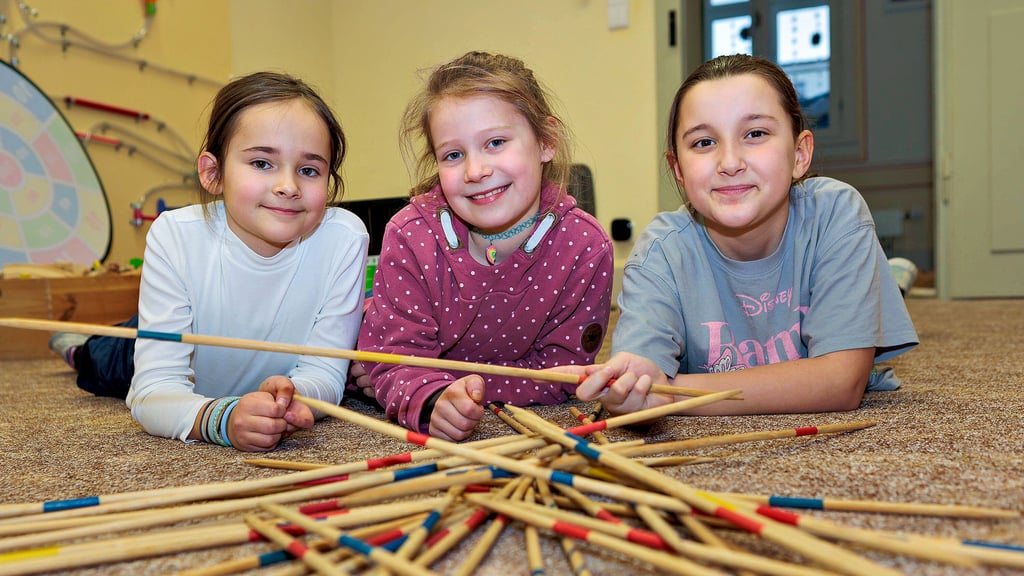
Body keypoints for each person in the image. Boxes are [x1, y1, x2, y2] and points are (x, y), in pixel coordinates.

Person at [575, 54, 918, 417]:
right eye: (704, 143)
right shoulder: (661, 251)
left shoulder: (836, 212)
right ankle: (892, 275)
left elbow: (840, 383)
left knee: (873, 289)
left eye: (755, 134)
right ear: (677, 168)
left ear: (800, 154)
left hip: (838, 251)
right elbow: (641, 380)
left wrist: (671, 394)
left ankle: (892, 277)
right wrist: (632, 385)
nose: (730, 162)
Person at [48, 72, 369, 451]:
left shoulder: (345, 239)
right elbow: (154, 391)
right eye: (262, 163)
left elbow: (326, 371)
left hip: (225, 340)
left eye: (309, 170)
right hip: (166, 346)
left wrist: (295, 396)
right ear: (212, 173)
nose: (288, 186)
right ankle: (79, 347)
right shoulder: (175, 235)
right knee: (104, 359)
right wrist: (222, 419)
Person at [350, 51, 613, 441]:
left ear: (546, 141)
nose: (475, 171)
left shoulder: (586, 247)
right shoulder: (409, 234)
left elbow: (563, 378)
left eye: (495, 142)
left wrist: (442, 380)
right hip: (371, 337)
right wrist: (424, 395)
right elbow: (397, 366)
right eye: (454, 155)